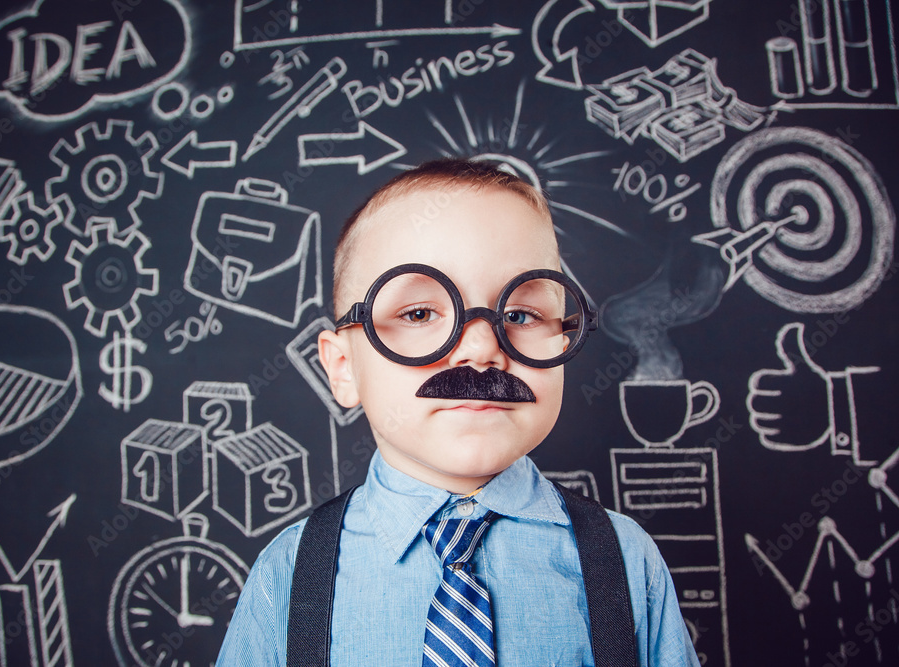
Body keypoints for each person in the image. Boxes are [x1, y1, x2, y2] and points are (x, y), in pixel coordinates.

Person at [216, 158, 701, 665]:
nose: (480, 348)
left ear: (564, 333)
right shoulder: (289, 574)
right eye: (419, 313)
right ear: (343, 368)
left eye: (519, 314)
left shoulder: (624, 560)